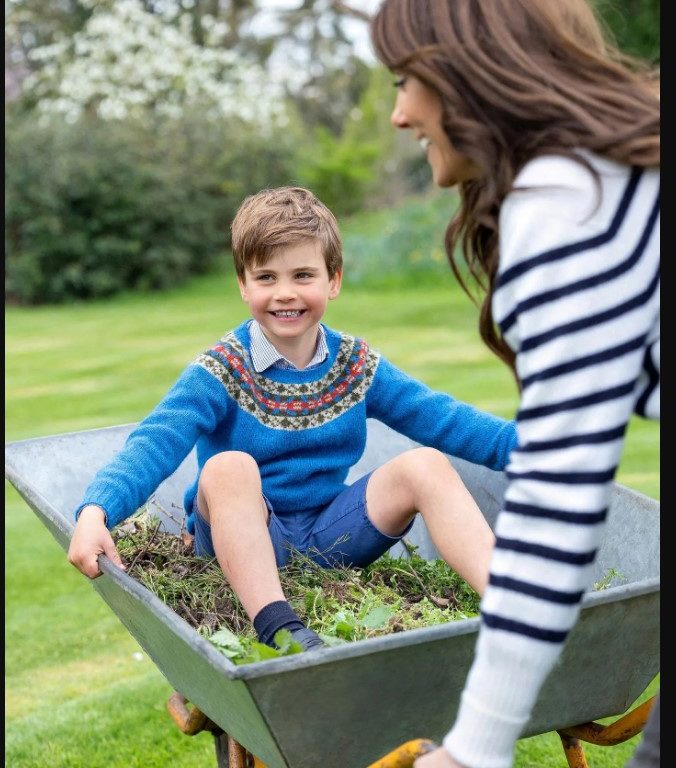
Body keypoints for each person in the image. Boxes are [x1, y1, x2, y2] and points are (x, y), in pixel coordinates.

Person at [370, 1, 659, 767]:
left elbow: (558, 506)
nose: (400, 114)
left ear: (466, 73)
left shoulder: (565, 208)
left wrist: (475, 745)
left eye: (407, 81)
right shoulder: (611, 173)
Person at [68, 185, 518, 653]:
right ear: (243, 284)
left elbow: (441, 418)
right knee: (228, 467)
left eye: (303, 275)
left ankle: (511, 607)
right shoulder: (222, 369)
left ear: (333, 280)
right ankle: (280, 628)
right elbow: (156, 440)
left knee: (424, 463)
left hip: (330, 534)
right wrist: (97, 510)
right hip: (241, 539)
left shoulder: (355, 364)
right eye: (266, 277)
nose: (285, 293)